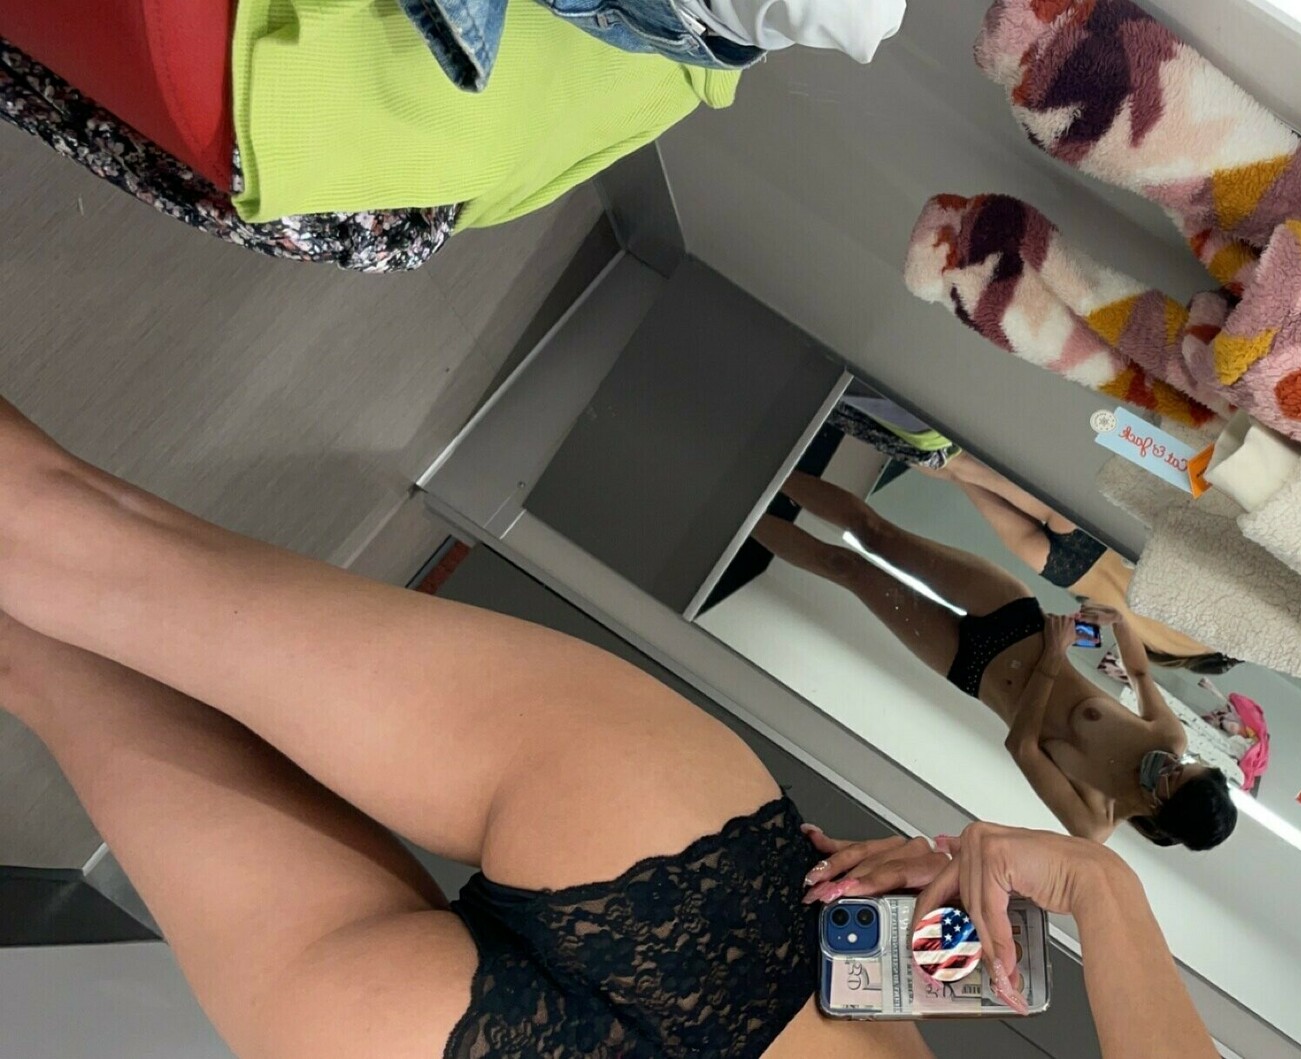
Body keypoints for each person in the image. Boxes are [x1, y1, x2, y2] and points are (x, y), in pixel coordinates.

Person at [0, 397, 1217, 1059]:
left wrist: (1096, 889)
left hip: (729, 917)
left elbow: (1073, 850)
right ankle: (790, 507)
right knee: (43, 658)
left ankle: (787, 508)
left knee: (78, 544)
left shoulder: (1108, 804)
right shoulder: (1148, 736)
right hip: (692, 956)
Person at [751, 472, 1237, 850]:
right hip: (1014, 617)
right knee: (878, 534)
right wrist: (1121, 623)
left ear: (1163, 810)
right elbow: (1141, 672)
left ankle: (747, 512)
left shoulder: (1094, 820)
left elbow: (1022, 746)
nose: (1172, 762)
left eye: (1174, 776)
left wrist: (1052, 660)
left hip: (971, 667)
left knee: (848, 569)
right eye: (1186, 765)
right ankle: (772, 471)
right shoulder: (1168, 737)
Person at [925, 452, 1238, 674]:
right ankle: (904, 442)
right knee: (958, 476)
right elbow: (1097, 614)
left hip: (1097, 546)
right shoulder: (1165, 653)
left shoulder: (1210, 627)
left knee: (967, 462)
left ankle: (911, 423)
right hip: (1067, 575)